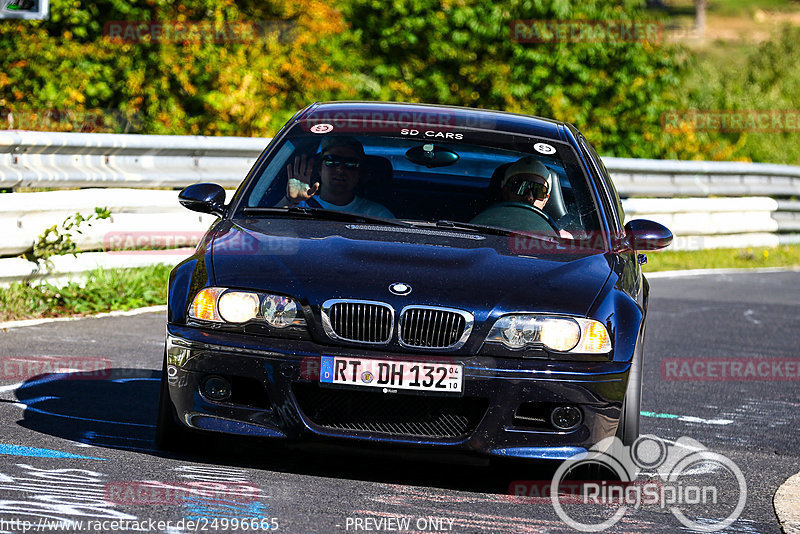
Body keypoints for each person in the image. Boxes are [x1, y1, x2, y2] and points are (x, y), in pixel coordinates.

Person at [283, 136, 394, 218]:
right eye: (331, 161)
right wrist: (289, 201)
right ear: (320, 169)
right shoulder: (298, 205)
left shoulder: (378, 215)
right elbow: (271, 230)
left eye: (351, 163)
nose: (340, 169)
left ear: (360, 173)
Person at [472, 156, 572, 238]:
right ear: (505, 191)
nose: (529, 197)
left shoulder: (562, 239)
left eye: (538, 190)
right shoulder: (477, 227)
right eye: (520, 187)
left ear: (546, 198)